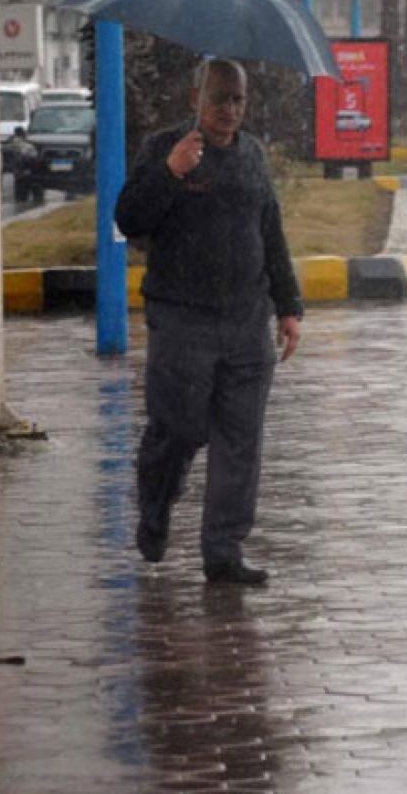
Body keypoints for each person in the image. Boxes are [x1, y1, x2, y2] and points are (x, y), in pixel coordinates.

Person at [114, 58, 303, 586]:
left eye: (238, 99)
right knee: (178, 429)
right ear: (194, 98)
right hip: (181, 319)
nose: (229, 110)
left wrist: (289, 306)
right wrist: (171, 172)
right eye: (219, 98)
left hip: (246, 320)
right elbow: (129, 219)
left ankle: (223, 550)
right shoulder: (164, 149)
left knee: (240, 440)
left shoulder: (252, 155)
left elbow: (270, 232)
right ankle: (156, 506)